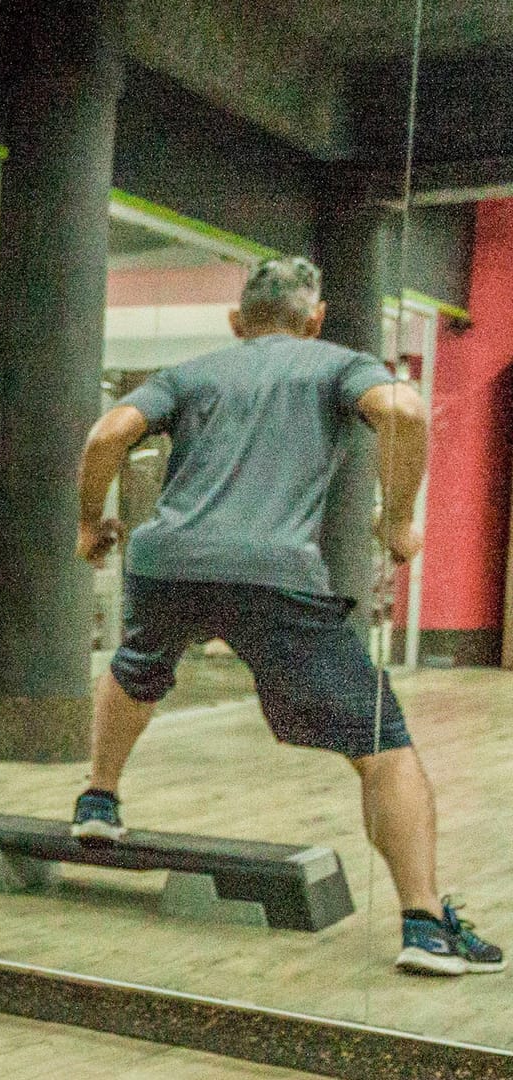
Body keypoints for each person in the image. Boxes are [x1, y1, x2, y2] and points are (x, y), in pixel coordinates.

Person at [71, 256, 501, 977]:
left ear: (237, 322)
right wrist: (396, 523)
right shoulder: (339, 363)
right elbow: (402, 410)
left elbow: (107, 434)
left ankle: (98, 799)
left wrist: (90, 522)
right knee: (383, 746)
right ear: (316, 318)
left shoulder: (193, 371)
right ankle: (425, 924)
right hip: (272, 573)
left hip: (168, 563)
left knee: (139, 669)